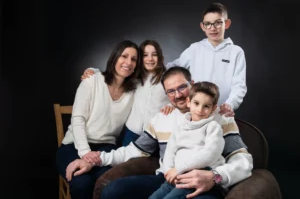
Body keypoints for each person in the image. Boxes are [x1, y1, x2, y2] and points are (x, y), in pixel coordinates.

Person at [66, 67, 253, 199]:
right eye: (171, 91)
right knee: (113, 191)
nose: (178, 95)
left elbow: (244, 161)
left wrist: (216, 177)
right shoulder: (162, 119)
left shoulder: (220, 118)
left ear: (192, 84)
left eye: (182, 87)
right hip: (166, 179)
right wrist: (94, 159)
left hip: (205, 183)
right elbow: (134, 151)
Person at [55, 40, 142, 199]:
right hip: (74, 145)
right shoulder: (92, 80)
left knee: (110, 183)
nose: (128, 62)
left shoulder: (134, 92)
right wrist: (85, 152)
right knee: (82, 183)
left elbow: (154, 88)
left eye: (134, 59)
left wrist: (169, 107)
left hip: (106, 148)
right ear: (115, 57)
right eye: (124, 56)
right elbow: (78, 119)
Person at [81, 40, 172, 146]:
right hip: (132, 131)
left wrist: (171, 106)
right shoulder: (134, 77)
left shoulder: (168, 78)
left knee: (150, 161)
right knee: (124, 160)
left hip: (156, 132)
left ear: (160, 57)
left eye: (154, 55)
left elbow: (183, 92)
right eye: (145, 55)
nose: (150, 59)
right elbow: (113, 74)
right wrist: (92, 70)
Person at [166, 3, 247, 114]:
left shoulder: (236, 52)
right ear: (202, 26)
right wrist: (152, 67)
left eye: (218, 23)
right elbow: (174, 68)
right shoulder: (195, 48)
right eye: (208, 24)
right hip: (194, 112)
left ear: (227, 24)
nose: (212, 28)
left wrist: (229, 104)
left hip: (221, 113)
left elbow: (239, 86)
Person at [149, 81, 225, 199]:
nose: (200, 110)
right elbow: (170, 150)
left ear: (213, 108)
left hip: (196, 176)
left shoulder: (213, 127)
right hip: (175, 176)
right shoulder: (181, 127)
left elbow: (211, 154)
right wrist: (169, 171)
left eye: (206, 106)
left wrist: (179, 169)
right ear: (189, 102)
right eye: (196, 103)